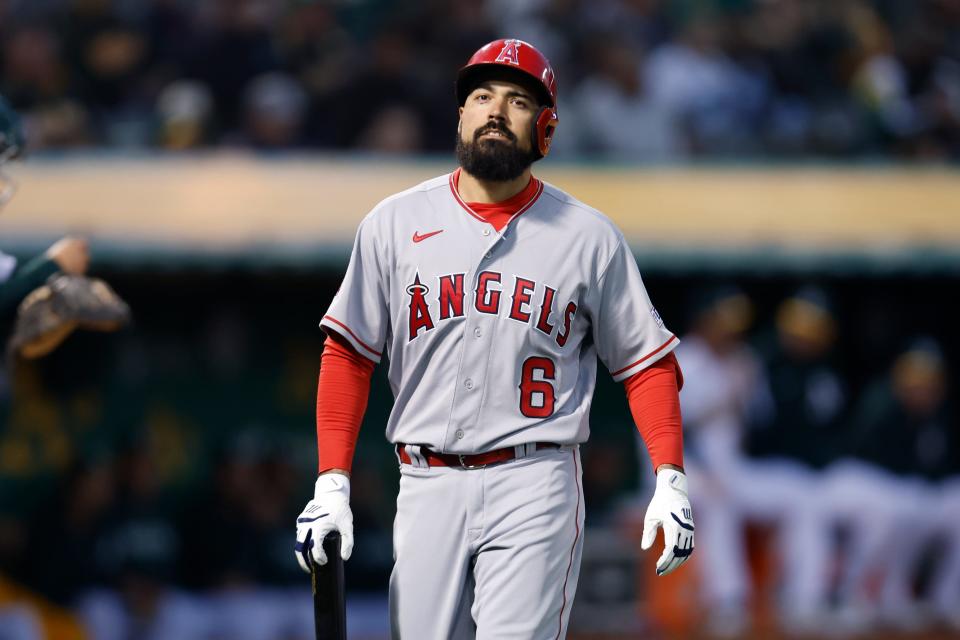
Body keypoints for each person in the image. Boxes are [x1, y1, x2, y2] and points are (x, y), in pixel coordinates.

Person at [294, 39, 694, 638]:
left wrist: (669, 473)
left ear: (546, 130)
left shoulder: (589, 236)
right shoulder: (394, 222)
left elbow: (646, 364)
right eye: (482, 96)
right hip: (426, 480)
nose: (496, 111)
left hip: (535, 480)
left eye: (518, 101)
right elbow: (348, 354)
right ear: (461, 115)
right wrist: (332, 481)